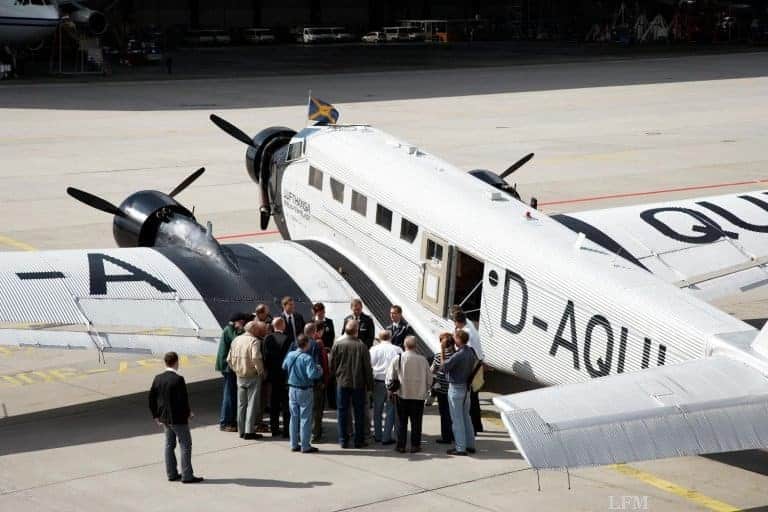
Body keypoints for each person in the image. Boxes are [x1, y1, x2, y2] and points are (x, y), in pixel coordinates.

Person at [148, 352, 203, 483]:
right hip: (178, 419)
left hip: (164, 418)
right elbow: (182, 400)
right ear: (176, 362)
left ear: (165, 362)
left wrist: (155, 415)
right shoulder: (178, 379)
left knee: (169, 445)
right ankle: (187, 475)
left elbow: (151, 398)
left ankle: (171, 473)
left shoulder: (158, 378)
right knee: (185, 445)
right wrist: (188, 413)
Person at [330, 319, 373, 448]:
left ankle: (343, 440)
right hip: (358, 384)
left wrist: (335, 378)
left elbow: (332, 364)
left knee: (342, 412)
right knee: (359, 412)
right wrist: (370, 386)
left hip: (342, 383)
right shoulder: (362, 346)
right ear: (357, 330)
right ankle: (358, 440)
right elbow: (367, 368)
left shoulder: (337, 345)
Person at [386, 336, 432, 454]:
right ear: (416, 346)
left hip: (402, 395)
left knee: (401, 422)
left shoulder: (398, 358)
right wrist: (426, 390)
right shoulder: (423, 360)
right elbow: (429, 379)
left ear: (404, 345)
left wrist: (390, 390)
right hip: (418, 396)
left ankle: (401, 445)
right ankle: (415, 445)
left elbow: (390, 377)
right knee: (416, 422)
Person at [283, 334, 323, 453]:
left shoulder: (290, 354)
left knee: (293, 417)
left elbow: (284, 366)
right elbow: (312, 374)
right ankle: (305, 445)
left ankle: (293, 444)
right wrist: (319, 370)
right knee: (305, 418)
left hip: (292, 388)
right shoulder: (307, 358)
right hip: (304, 389)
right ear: (306, 343)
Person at [227, 321, 266, 440]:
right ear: (253, 329)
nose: (259, 331)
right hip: (252, 375)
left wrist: (236, 369)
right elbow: (255, 357)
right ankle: (249, 431)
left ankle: (241, 430)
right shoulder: (254, 341)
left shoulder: (236, 340)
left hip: (240, 375)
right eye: (258, 329)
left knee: (241, 404)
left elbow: (229, 359)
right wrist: (260, 371)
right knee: (252, 404)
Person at [442, 330, 477, 455]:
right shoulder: (470, 352)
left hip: (456, 388)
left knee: (457, 419)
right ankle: (470, 444)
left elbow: (444, 367)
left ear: (459, 339)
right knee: (466, 417)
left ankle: (460, 447)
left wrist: (442, 350)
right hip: (466, 388)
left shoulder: (459, 354)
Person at [214, 312, 248, 432]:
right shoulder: (229, 330)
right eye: (242, 322)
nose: (244, 324)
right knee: (229, 394)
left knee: (232, 394)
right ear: (237, 321)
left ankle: (231, 421)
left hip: (229, 366)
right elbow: (236, 340)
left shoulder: (230, 328)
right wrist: (241, 330)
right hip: (227, 367)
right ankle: (225, 422)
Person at [452, 309, 484, 433]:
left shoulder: (465, 333)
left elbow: (467, 352)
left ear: (457, 322)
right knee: (474, 398)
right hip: (478, 364)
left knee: (469, 399)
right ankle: (477, 425)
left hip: (472, 366)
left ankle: (474, 428)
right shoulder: (470, 326)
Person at [369, 330, 402, 444]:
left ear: (379, 338)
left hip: (377, 381)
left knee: (377, 410)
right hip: (393, 383)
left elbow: (370, 365)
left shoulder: (374, 349)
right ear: (390, 337)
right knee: (391, 410)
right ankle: (386, 436)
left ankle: (378, 435)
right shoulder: (397, 350)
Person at [263, 317, 292, 437]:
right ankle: (286, 430)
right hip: (285, 376)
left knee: (274, 403)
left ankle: (274, 428)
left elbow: (265, 357)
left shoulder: (268, 339)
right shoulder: (289, 339)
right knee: (286, 404)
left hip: (273, 375)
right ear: (282, 325)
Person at [431, 332, 456, 444]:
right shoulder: (457, 355)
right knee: (454, 413)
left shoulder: (439, 356)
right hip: (454, 387)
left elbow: (432, 371)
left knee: (444, 413)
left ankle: (446, 436)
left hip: (442, 389)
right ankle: (453, 435)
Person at [313, 302, 337, 409]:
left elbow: (332, 336)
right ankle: (320, 403)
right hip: (317, 353)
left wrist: (328, 348)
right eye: (320, 312)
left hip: (327, 351)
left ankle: (332, 402)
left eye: (323, 312)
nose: (322, 314)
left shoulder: (329, 322)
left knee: (330, 376)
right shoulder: (311, 322)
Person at [309, 321, 329, 442]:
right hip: (317, 382)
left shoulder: (301, 341)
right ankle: (315, 433)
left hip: (304, 382)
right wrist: (325, 380)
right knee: (317, 410)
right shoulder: (319, 344)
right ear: (318, 331)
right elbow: (323, 364)